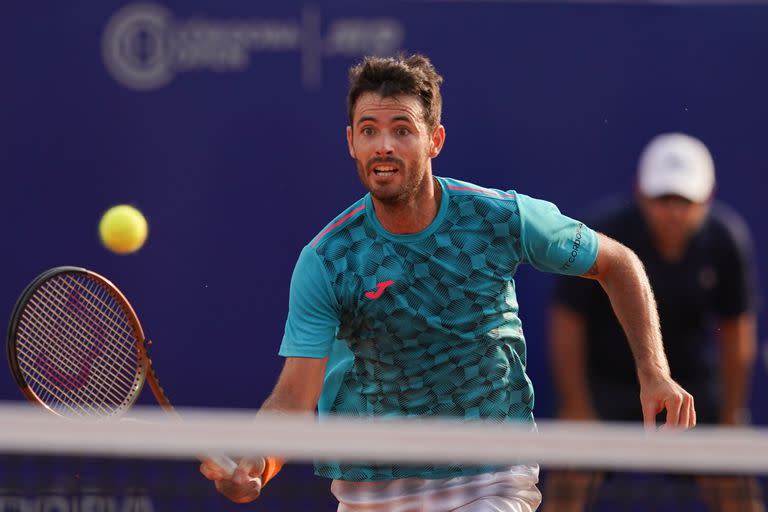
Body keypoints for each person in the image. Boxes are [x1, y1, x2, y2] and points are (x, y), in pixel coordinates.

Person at [199, 54, 695, 511]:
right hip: (371, 489)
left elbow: (618, 263)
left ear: (434, 139)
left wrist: (654, 372)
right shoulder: (327, 260)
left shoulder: (501, 218)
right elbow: (293, 397)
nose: (384, 145)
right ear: (350, 141)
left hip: (490, 475)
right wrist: (259, 462)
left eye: (402, 130)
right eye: (368, 131)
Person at [544, 132, 763, 512]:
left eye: (685, 200)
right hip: (608, 381)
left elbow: (737, 332)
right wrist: (578, 407)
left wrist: (730, 417)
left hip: (691, 384)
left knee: (734, 478)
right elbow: (567, 321)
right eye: (664, 198)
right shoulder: (603, 232)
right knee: (570, 473)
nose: (674, 211)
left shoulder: (726, 240)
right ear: (641, 194)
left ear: (707, 198)